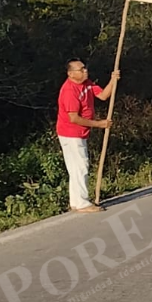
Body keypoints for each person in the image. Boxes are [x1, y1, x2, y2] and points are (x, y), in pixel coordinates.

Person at [56, 59, 119, 213]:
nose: (85, 71)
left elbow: (103, 95)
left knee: (76, 167)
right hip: (71, 133)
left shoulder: (87, 83)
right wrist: (99, 124)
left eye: (85, 68)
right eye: (81, 70)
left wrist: (113, 80)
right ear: (71, 74)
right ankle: (82, 203)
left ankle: (76, 202)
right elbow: (74, 118)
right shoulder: (69, 91)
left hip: (79, 133)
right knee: (81, 166)